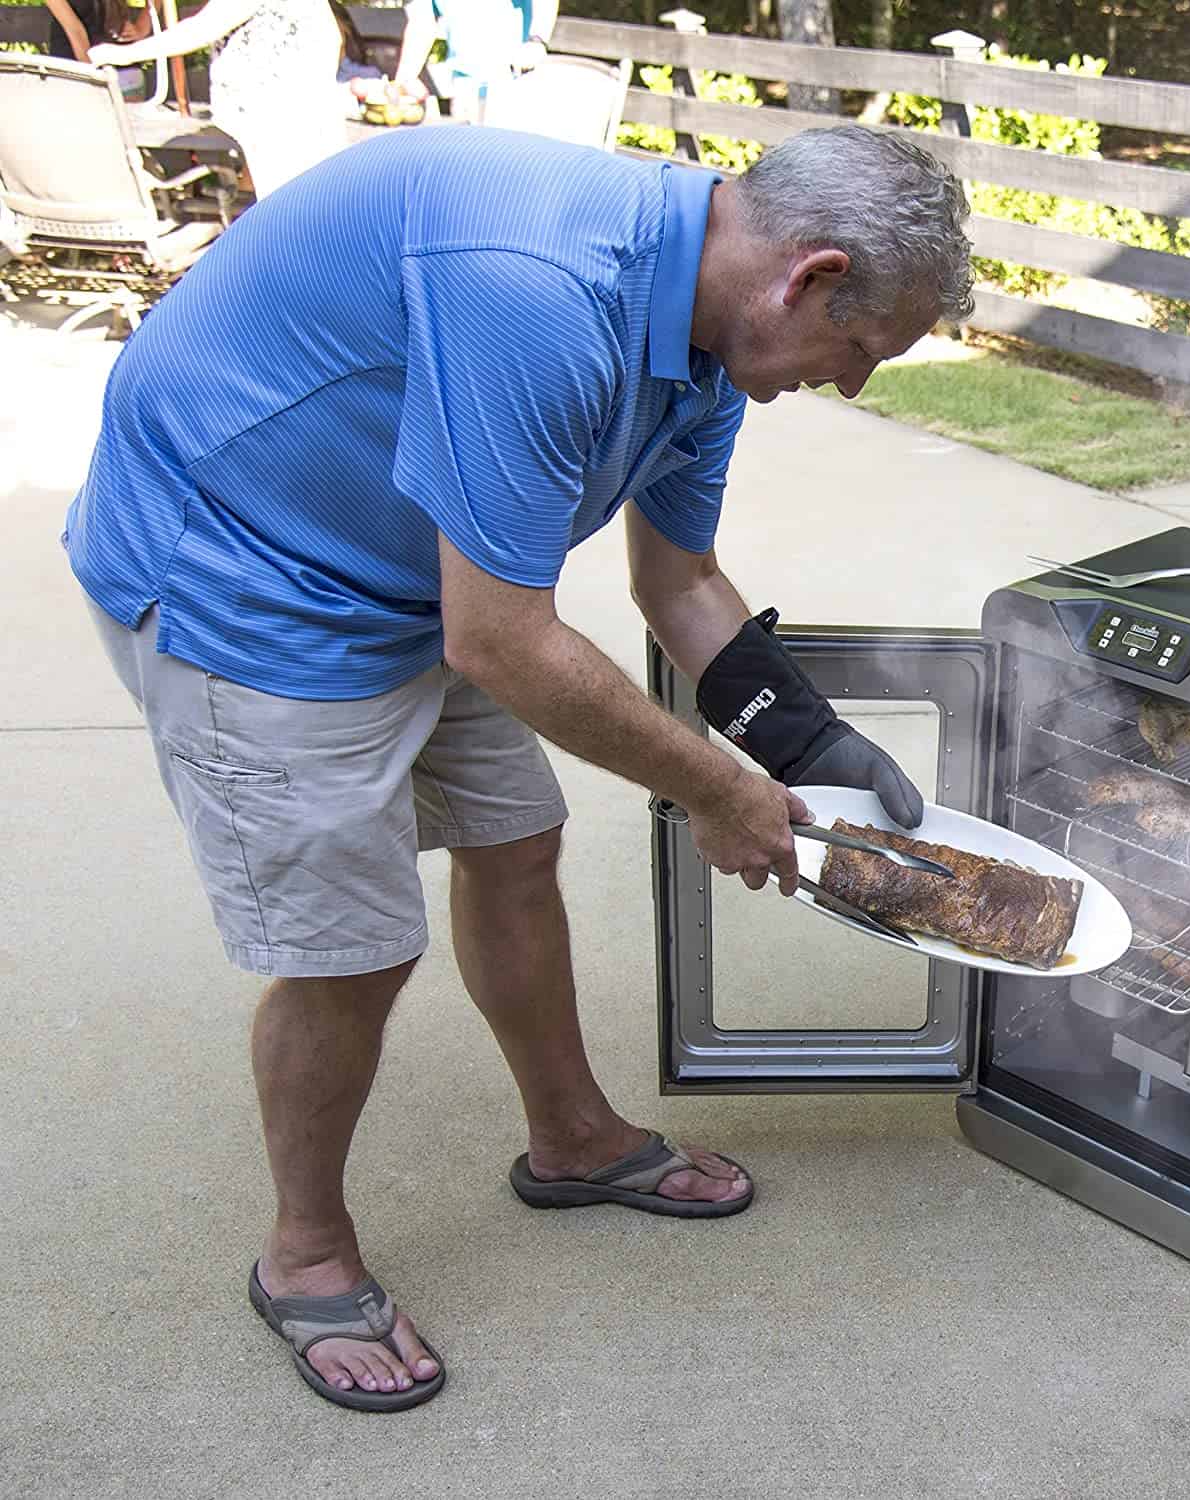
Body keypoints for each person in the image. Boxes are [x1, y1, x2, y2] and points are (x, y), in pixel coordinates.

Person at [64, 123, 973, 1413]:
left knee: (516, 840)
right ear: (811, 278)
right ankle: (306, 1255)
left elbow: (679, 581)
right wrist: (716, 791)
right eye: (864, 351)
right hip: (243, 561)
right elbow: (498, 635)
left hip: (424, 564)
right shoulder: (537, 291)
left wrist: (807, 744)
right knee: (352, 945)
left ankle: (573, 1138)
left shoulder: (711, 352)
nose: (856, 384)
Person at [87, 0, 345, 197]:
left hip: (279, 115)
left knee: (289, 208)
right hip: (278, 113)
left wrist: (126, 55)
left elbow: (203, 28)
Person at [395, 0, 557, 122]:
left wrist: (537, 40)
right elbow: (421, 22)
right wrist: (405, 78)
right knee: (466, 158)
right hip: (463, 83)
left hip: (513, 81)